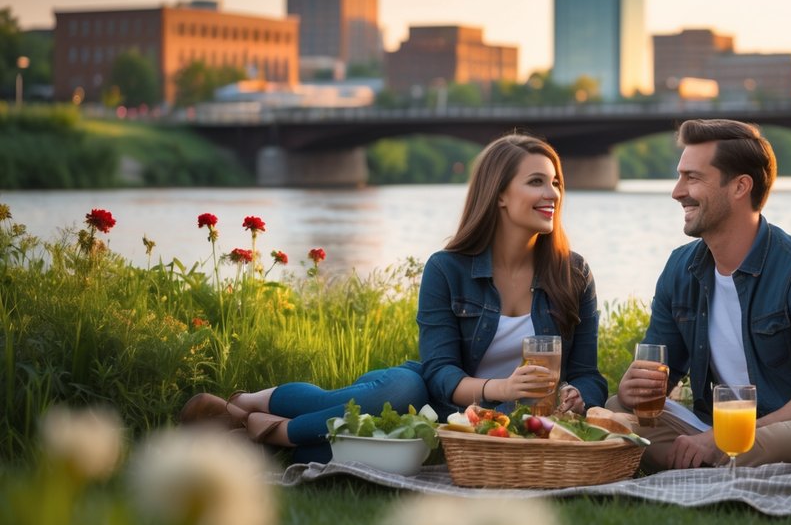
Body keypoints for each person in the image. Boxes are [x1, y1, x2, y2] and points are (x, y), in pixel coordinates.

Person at [610, 119, 791, 471]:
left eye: (692, 178)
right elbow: (656, 379)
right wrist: (632, 389)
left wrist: (729, 434)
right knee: (615, 412)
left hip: (781, 429)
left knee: (774, 441)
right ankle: (706, 462)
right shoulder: (681, 269)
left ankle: (698, 462)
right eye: (680, 176)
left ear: (741, 186)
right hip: (710, 427)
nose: (677, 191)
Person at [417, 133, 607, 420]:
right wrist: (504, 389)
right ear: (499, 195)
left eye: (555, 182)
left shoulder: (574, 273)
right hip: (466, 420)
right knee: (397, 387)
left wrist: (579, 397)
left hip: (536, 420)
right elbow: (440, 374)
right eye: (536, 181)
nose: (553, 193)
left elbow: (588, 375)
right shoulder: (446, 269)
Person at [178, 366, 428, 464]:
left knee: (318, 453)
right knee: (403, 392)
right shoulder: (446, 266)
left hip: (428, 428)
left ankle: (258, 438)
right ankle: (249, 407)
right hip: (410, 385)